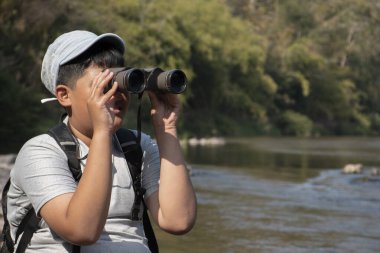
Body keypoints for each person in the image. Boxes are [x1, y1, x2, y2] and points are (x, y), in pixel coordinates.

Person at [6, 30, 197, 252]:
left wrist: (167, 129)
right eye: (105, 85)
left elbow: (178, 221)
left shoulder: (136, 148)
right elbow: (82, 231)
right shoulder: (40, 152)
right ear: (64, 95)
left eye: (122, 82)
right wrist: (102, 132)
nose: (117, 94)